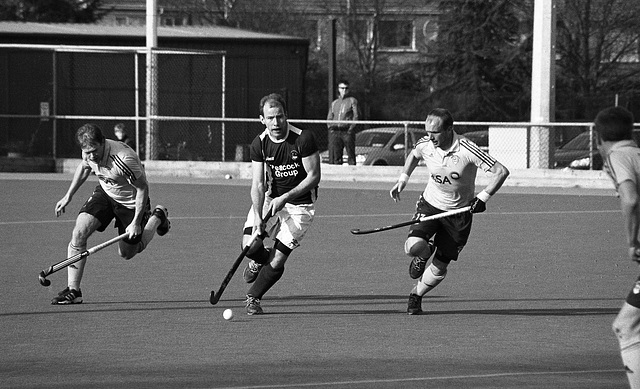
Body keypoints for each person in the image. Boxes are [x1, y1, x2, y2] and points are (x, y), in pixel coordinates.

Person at [389, 108, 510, 315]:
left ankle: (416, 295)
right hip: (430, 205)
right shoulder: (426, 144)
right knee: (412, 247)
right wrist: (403, 179)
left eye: (435, 132)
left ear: (449, 130)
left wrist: (483, 197)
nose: (430, 137)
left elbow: (501, 171)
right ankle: (424, 253)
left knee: (439, 267)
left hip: (459, 215)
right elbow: (414, 154)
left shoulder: (467, 149)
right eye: (427, 131)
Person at [52, 123, 170, 304]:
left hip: (131, 203)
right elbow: (84, 167)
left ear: (103, 142)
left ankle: (157, 217)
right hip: (106, 193)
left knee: (127, 253)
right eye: (87, 152)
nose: (91, 156)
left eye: (94, 151)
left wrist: (137, 222)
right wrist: (68, 196)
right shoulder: (88, 153)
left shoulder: (123, 158)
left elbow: (142, 188)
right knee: (79, 232)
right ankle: (73, 290)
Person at [240, 93, 321, 315]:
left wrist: (285, 197)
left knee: (277, 260)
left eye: (280, 117)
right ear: (262, 119)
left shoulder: (303, 138)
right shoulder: (260, 144)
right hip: (270, 198)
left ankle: (253, 297)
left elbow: (314, 176)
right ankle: (258, 260)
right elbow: (257, 184)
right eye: (271, 118)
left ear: (286, 116)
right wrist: (258, 216)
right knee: (249, 245)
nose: (276, 123)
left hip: (300, 206)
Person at [595, 106, 640, 388]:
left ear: (597, 137)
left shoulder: (617, 155)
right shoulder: (636, 152)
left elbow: (630, 199)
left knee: (626, 327)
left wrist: (632, 242)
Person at [327, 80, 359, 165]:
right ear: (338, 89)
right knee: (336, 155)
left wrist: (351, 128)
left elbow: (356, 116)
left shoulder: (352, 100)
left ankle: (352, 174)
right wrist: (331, 128)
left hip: (347, 131)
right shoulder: (335, 103)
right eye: (342, 88)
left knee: (350, 153)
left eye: (346, 88)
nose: (344, 90)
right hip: (336, 131)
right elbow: (329, 117)